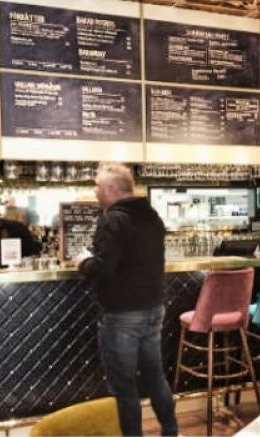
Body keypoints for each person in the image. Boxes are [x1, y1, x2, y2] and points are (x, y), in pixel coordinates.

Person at [72, 163, 178, 436]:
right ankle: (170, 431)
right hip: (154, 308)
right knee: (155, 377)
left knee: (124, 387)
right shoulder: (152, 216)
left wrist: (83, 261)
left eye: (97, 186)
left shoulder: (113, 220)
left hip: (123, 315)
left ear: (110, 189)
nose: (95, 191)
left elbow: (103, 269)